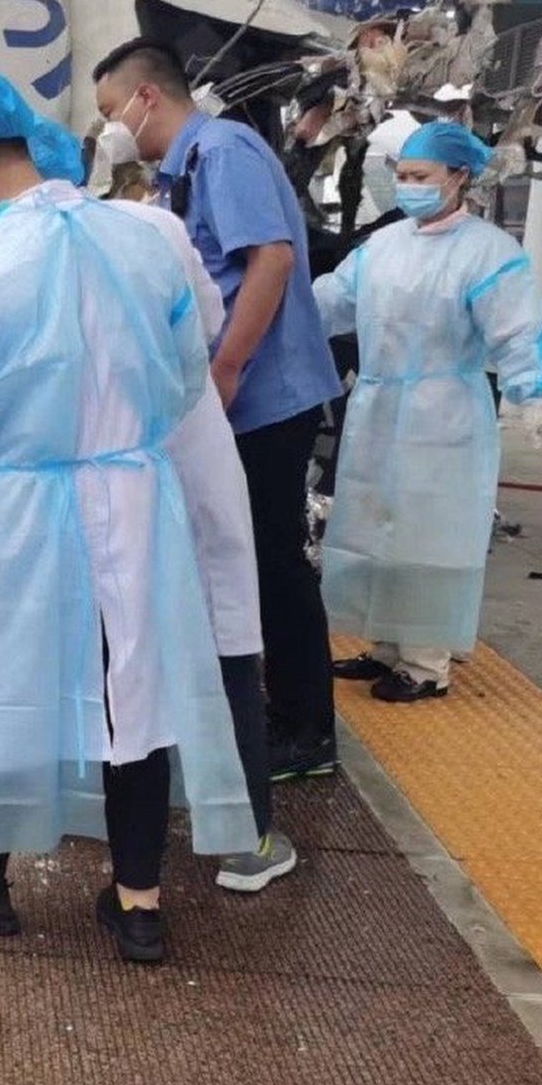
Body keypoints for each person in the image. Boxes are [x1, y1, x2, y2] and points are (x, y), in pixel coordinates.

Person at [0, 73, 254, 964]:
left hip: (13, 513)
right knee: (136, 692)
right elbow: (187, 355)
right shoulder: (140, 241)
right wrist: (125, 441)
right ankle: (138, 903)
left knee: (2, 688)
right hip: (131, 499)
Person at [93, 39, 341, 784]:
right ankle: (280, 710)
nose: (109, 128)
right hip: (238, 396)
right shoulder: (181, 173)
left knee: (272, 559)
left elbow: (269, 259)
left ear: (146, 97)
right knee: (249, 558)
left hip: (266, 393)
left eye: (110, 111)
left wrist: (226, 369)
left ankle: (307, 730)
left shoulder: (222, 151)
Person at [317, 122, 542, 703]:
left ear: (459, 178)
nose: (408, 187)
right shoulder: (383, 246)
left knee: (428, 534)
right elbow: (332, 300)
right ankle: (384, 646)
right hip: (378, 407)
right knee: (374, 522)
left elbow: (518, 330)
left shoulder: (488, 252)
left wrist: (535, 396)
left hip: (443, 414)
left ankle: (426, 663)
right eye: (402, 176)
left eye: (421, 177)